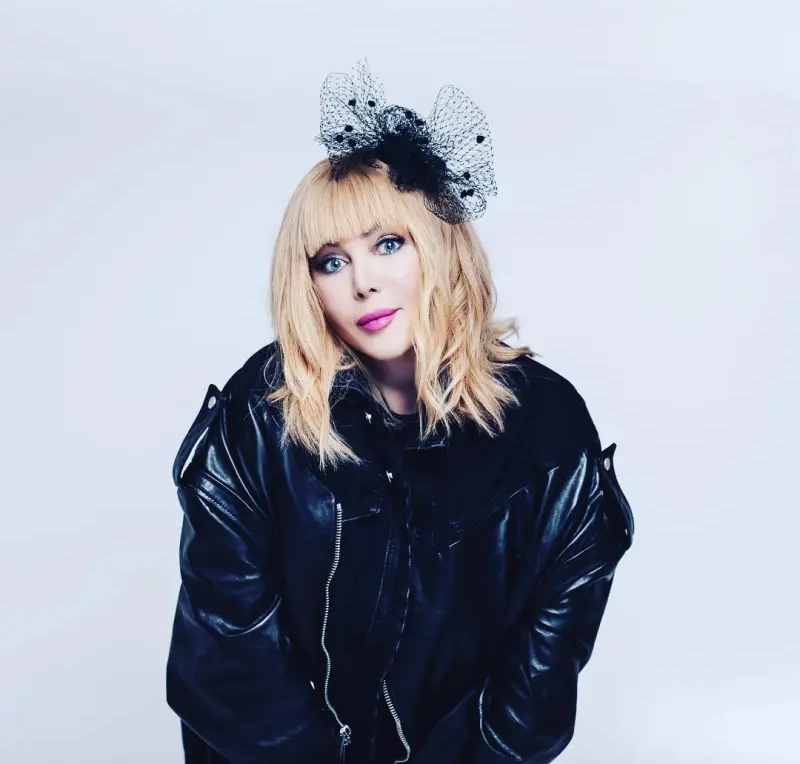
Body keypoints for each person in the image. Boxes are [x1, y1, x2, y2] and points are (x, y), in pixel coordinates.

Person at [165, 61, 635, 764]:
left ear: (438, 247)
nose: (364, 282)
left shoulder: (548, 427)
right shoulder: (258, 416)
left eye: (388, 244)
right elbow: (228, 656)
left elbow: (534, 686)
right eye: (331, 261)